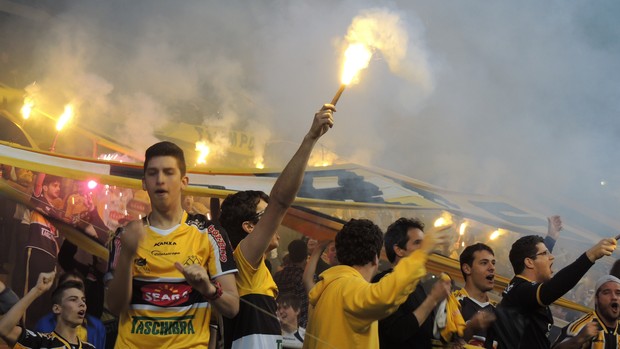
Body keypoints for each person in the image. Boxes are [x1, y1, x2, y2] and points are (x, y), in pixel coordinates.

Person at [218, 104, 335, 348]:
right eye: (266, 214)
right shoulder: (242, 259)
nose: (276, 225)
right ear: (249, 227)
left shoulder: (257, 267)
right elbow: (281, 201)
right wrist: (310, 138)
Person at [105, 141, 239, 349]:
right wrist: (127, 256)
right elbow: (114, 307)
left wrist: (207, 288)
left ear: (184, 181)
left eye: (168, 172)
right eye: (152, 173)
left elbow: (232, 307)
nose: (160, 180)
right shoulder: (126, 235)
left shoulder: (209, 232)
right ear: (143, 182)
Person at [303, 218, 447, 349]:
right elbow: (383, 296)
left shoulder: (329, 286)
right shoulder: (348, 287)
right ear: (375, 259)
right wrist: (422, 254)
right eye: (417, 243)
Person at [489, 234, 616, 349]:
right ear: (529, 262)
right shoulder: (521, 291)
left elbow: (536, 259)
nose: (552, 257)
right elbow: (552, 288)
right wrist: (591, 256)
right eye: (545, 253)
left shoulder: (519, 289)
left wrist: (551, 237)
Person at [371, 217, 451, 348]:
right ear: (399, 250)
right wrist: (432, 300)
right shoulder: (382, 282)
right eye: (418, 243)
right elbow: (394, 333)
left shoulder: (418, 286)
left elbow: (425, 333)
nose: (425, 247)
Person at [0, 270, 96, 349]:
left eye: (83, 300)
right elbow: (4, 330)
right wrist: (37, 290)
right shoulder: (40, 342)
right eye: (73, 299)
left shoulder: (90, 348)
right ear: (57, 308)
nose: (82, 304)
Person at [19, 173, 64, 327]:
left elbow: (57, 241)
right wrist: (49, 157)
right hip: (36, 250)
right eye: (54, 185)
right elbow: (38, 181)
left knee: (45, 297)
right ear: (44, 187)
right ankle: (24, 328)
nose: (58, 188)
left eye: (59, 186)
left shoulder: (56, 213)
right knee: (32, 292)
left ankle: (39, 332)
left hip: (50, 258)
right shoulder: (38, 200)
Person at [437, 243, 497, 347]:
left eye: (493, 263)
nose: (492, 268)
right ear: (467, 269)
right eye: (484, 263)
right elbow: (447, 343)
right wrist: (471, 328)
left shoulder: (498, 310)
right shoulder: (451, 302)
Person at [35, 271, 106, 349]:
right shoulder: (44, 325)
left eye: (79, 287)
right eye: (69, 286)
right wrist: (36, 290)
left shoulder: (97, 326)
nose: (75, 290)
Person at [552, 275, 620, 349]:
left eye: (618, 293)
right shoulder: (582, 327)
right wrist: (578, 340)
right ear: (596, 299)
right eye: (607, 292)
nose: (614, 297)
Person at [274, 239, 309, 328]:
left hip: (280, 323)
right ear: (306, 256)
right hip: (300, 327)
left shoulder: (277, 276)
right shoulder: (305, 277)